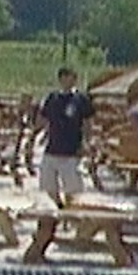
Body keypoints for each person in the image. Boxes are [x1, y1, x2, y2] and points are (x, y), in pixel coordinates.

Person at [37, 66, 95, 205]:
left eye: (71, 77)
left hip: (72, 150)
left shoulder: (80, 99)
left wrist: (87, 142)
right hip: (52, 148)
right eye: (65, 77)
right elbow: (45, 119)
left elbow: (87, 123)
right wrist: (41, 135)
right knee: (48, 186)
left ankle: (69, 211)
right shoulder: (52, 98)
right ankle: (60, 206)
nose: (68, 80)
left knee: (72, 189)